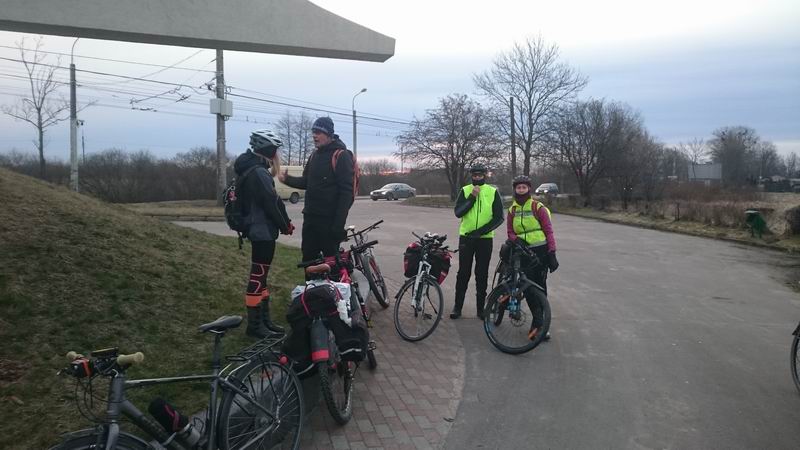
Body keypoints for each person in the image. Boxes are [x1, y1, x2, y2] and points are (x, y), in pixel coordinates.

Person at [233, 129, 295, 339]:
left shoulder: (252, 169)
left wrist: (284, 223)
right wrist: (285, 225)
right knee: (258, 276)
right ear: (269, 150)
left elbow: (273, 202)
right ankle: (255, 326)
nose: (277, 154)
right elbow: (271, 204)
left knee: (262, 276)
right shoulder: (258, 173)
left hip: (260, 230)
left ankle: (265, 321)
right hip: (262, 231)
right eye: (276, 149)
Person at [279, 117, 355, 262]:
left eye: (319, 132)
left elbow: (346, 193)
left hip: (329, 222)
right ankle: (310, 285)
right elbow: (306, 182)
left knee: (331, 264)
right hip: (310, 219)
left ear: (329, 134)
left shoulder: (341, 155)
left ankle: (333, 284)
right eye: (313, 132)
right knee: (308, 260)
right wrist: (287, 179)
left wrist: (338, 226)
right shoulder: (314, 156)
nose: (314, 135)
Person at [505, 175, 559, 340]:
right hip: (523, 252)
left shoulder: (537, 207)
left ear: (529, 189)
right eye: (518, 187)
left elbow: (548, 230)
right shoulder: (512, 210)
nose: (521, 190)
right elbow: (510, 232)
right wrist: (516, 239)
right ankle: (538, 322)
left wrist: (552, 252)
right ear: (515, 189)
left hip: (540, 251)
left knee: (540, 287)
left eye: (524, 187)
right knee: (527, 288)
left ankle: (541, 325)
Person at [450, 165, 504, 320]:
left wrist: (481, 231)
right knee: (463, 273)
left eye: (480, 176)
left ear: (485, 176)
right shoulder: (465, 190)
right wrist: (472, 197)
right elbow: (458, 212)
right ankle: (457, 307)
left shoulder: (492, 191)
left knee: (482, 274)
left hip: (484, 239)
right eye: (475, 175)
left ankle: (481, 309)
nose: (477, 178)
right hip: (466, 237)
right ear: (471, 176)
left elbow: (499, 217)